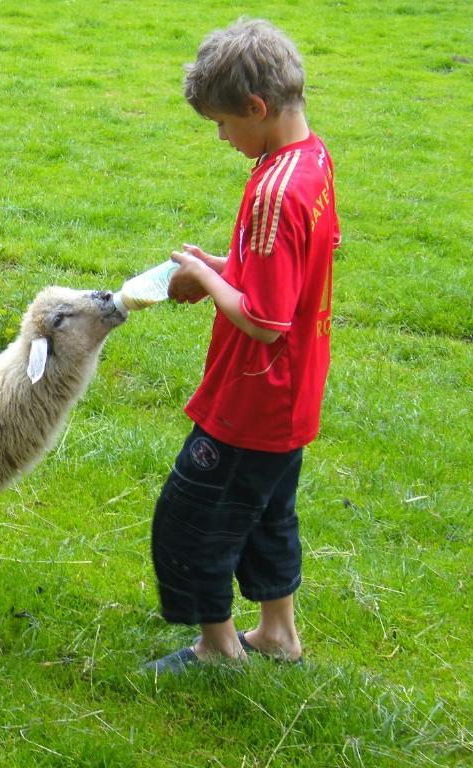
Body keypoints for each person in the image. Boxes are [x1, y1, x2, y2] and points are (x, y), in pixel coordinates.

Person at [146, 18, 340, 673]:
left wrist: (203, 276)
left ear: (256, 109)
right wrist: (227, 267)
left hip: (254, 397)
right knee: (267, 515)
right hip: (294, 396)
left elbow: (264, 320)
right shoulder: (312, 161)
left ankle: (217, 649)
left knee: (189, 520)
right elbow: (297, 266)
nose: (224, 137)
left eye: (224, 124)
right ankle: (278, 634)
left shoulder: (273, 192)